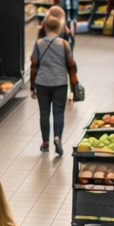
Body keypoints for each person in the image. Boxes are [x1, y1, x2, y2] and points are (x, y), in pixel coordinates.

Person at [30, 14, 75, 156]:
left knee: (44, 113)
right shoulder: (64, 44)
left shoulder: (38, 44)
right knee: (59, 112)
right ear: (60, 28)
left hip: (42, 83)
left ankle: (45, 143)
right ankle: (57, 138)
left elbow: (33, 66)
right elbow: (71, 65)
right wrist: (73, 85)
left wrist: (32, 86)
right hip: (60, 83)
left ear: (45, 27)